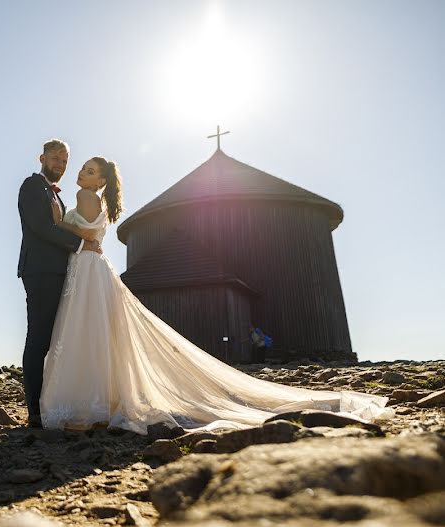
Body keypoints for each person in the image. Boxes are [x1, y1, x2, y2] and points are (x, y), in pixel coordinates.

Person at [38, 158, 392, 433]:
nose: (82, 174)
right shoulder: (98, 200)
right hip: (94, 268)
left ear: (100, 181)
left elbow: (77, 232)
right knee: (102, 333)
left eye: (89, 170)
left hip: (87, 268)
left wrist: (56, 220)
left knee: (86, 331)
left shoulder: (85, 196)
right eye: (83, 169)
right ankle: (101, 401)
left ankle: (88, 406)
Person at [17, 139, 102, 427]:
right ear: (42, 157)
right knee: (39, 339)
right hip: (40, 271)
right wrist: (82, 244)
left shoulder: (59, 197)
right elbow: (41, 226)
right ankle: (35, 412)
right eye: (55, 158)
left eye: (65, 161)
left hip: (60, 273)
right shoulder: (32, 186)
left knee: (58, 340)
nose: (60, 165)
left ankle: (52, 402)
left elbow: (60, 225)